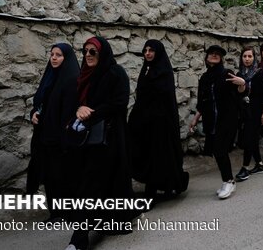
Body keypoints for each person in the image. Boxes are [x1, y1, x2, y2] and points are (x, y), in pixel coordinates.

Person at [65, 36, 136, 250]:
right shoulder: (84, 76)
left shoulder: (116, 73)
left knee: (90, 185)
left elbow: (120, 103)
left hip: (109, 139)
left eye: (92, 51)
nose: (87, 55)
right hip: (86, 139)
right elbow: (75, 102)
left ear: (102, 53)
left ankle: (78, 240)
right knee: (95, 184)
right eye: (85, 51)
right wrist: (79, 109)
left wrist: (91, 114)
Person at [128, 39, 189, 202]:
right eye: (145, 50)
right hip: (145, 122)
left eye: (151, 50)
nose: (148, 53)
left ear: (158, 52)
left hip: (161, 123)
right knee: (145, 153)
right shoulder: (146, 69)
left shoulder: (164, 72)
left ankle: (152, 192)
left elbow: (163, 99)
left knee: (158, 156)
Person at [26, 43, 79, 222]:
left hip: (62, 137)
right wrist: (33, 114)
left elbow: (70, 110)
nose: (54, 58)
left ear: (67, 58)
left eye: (59, 55)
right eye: (52, 54)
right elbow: (39, 102)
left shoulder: (72, 79)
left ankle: (70, 212)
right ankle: (56, 213)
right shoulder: (49, 77)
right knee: (50, 176)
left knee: (64, 175)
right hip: (45, 135)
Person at [189, 45, 240, 200]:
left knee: (220, 150)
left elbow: (241, 92)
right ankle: (228, 180)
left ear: (221, 59)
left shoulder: (227, 74)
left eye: (218, 54)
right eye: (211, 53)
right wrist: (195, 119)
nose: (214, 55)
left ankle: (229, 181)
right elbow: (202, 103)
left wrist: (242, 83)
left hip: (227, 119)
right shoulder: (204, 78)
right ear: (206, 57)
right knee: (217, 152)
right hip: (212, 121)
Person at [231, 47, 263, 182]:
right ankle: (259, 164)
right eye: (244, 56)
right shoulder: (239, 74)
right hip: (244, 111)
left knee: (249, 138)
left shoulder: (260, 73)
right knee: (251, 138)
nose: (247, 59)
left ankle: (245, 168)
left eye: (250, 56)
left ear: (254, 58)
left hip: (257, 111)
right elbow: (237, 94)